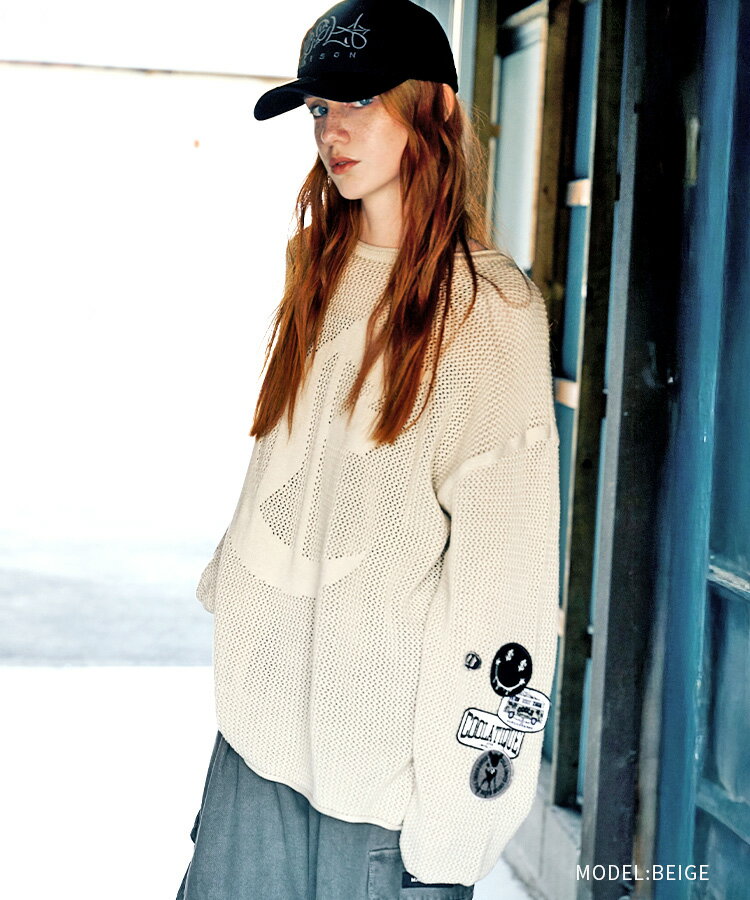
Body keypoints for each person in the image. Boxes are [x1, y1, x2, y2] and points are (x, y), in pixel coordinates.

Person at [176, 1, 560, 897]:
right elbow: (277, 477)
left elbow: (504, 589)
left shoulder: (490, 315)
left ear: (437, 108)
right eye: (319, 107)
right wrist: (237, 596)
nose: (331, 131)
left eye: (360, 102)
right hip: (250, 753)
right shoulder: (317, 270)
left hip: (382, 796)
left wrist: (460, 825)